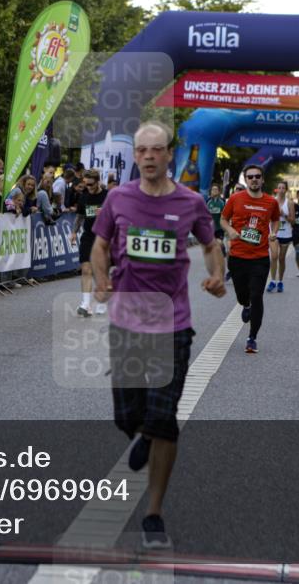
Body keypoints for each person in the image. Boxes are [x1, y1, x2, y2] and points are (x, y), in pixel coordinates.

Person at [91, 121, 225, 550]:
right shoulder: (118, 198)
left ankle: (153, 513)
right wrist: (99, 279)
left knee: (165, 419)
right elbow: (99, 243)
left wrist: (217, 276)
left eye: (157, 150)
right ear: (137, 157)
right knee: (127, 417)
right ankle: (143, 433)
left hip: (173, 323)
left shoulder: (191, 202)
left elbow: (209, 243)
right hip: (126, 321)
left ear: (170, 154)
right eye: (142, 151)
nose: (148, 157)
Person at [221, 165, 280, 354]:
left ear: (262, 180)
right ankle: (245, 305)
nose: (254, 179)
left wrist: (274, 232)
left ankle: (252, 337)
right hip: (238, 257)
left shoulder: (271, 202)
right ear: (246, 180)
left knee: (257, 296)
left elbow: (276, 219)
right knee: (242, 296)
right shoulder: (236, 199)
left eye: (257, 176)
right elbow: (223, 219)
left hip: (260, 258)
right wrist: (230, 230)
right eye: (250, 177)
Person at [70, 169, 108, 317]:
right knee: (86, 269)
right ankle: (85, 304)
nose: (89, 187)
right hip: (88, 236)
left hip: (104, 237)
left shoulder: (107, 196)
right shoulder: (83, 197)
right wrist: (74, 232)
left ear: (97, 181)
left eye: (91, 184)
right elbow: (79, 216)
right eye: (86, 184)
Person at [267, 180, 294, 293]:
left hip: (286, 233)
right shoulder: (271, 201)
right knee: (274, 256)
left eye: (283, 188)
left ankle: (280, 282)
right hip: (274, 233)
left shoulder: (290, 203)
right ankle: (273, 280)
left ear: (286, 190)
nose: (281, 190)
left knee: (281, 259)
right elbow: (266, 217)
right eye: (279, 188)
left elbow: (293, 221)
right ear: (276, 189)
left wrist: (283, 214)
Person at [205, 185, 226, 258]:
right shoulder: (208, 202)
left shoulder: (222, 202)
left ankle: (222, 248)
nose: (214, 191)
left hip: (220, 227)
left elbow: (225, 214)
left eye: (216, 189)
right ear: (210, 192)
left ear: (219, 191)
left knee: (219, 242)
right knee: (213, 244)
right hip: (211, 227)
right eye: (213, 189)